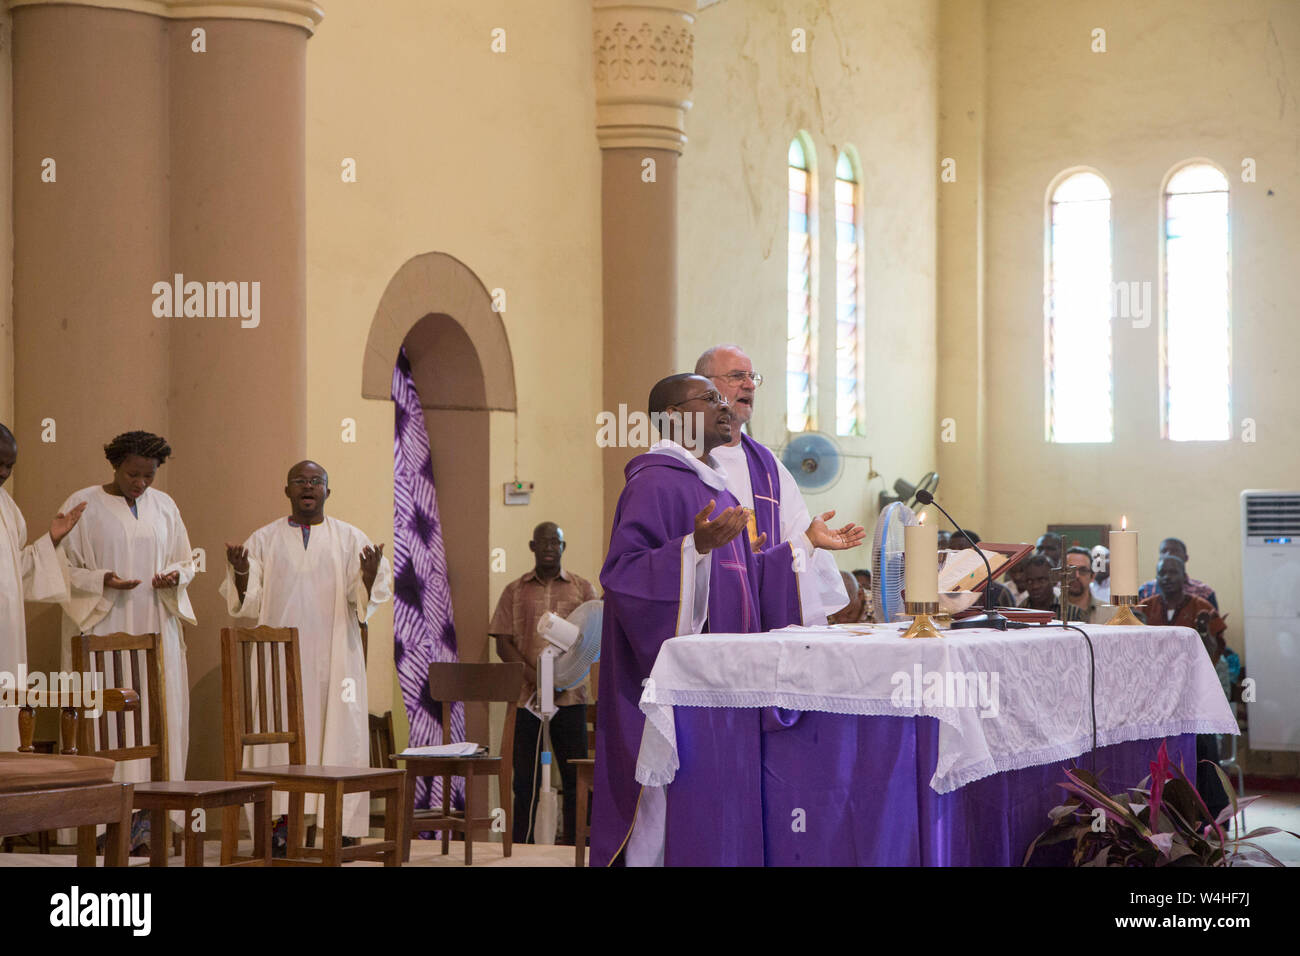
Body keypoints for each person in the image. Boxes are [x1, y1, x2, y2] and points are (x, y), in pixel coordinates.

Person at [592, 373, 864, 866]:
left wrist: (802, 545)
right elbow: (623, 578)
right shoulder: (654, 483)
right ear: (674, 416)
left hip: (727, 692)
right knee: (678, 819)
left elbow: (742, 583)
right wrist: (693, 548)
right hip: (677, 700)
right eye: (711, 398)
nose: (725, 406)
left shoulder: (715, 488)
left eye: (724, 398)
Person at [221, 460, 392, 851]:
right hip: (278, 663)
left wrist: (368, 574)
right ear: (287, 491)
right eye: (300, 481)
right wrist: (242, 572)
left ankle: (340, 827)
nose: (308, 486)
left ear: (328, 491)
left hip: (336, 659)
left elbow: (363, 602)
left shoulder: (351, 538)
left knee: (338, 737)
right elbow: (247, 605)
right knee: (277, 741)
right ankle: (279, 827)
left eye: (316, 481)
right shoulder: (263, 539)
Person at [57, 432, 196, 847]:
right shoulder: (82, 503)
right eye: (133, 474)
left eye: (149, 476)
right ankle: (101, 825)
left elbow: (186, 559)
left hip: (155, 623)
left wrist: (176, 576)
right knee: (108, 719)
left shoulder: (165, 506)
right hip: (102, 624)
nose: (140, 483)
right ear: (115, 465)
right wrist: (103, 579)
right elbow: (60, 569)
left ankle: (147, 820)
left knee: (155, 716)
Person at [695, 345, 850, 622]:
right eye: (736, 376)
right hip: (705, 617)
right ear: (706, 387)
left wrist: (811, 541)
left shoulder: (768, 466)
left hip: (759, 613)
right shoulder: (685, 459)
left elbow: (795, 539)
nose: (749, 385)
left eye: (752, 377)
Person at [488, 521, 598, 846]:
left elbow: (594, 637)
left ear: (563, 548)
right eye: (544, 542)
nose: (550, 547)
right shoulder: (514, 590)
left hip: (571, 698)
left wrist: (565, 676)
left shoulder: (583, 589)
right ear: (532, 547)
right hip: (527, 699)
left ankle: (576, 846)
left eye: (556, 542)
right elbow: (502, 642)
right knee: (525, 780)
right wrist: (537, 678)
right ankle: (521, 846)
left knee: (575, 777)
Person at [0, 425, 84, 752]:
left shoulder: (7, 506)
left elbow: (17, 571)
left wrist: (51, 540)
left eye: (10, 466)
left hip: (7, 635)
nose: (4, 472)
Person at [1136, 554, 1230, 817]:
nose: (1166, 578)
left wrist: (1204, 635)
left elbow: (1214, 656)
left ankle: (1212, 817)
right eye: (1161, 573)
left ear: (1184, 576)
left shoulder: (1202, 608)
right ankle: (1156, 812)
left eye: (1173, 573)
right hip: (1153, 698)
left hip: (1192, 696)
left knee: (1203, 743)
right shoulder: (1144, 608)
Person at [1137, 537, 1218, 610]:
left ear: (1186, 558)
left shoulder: (1204, 591)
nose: (1168, 554)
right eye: (1164, 551)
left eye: (1175, 551)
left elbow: (1212, 622)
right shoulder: (1145, 590)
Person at [947, 529, 1014, 607]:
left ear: (978, 554)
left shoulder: (998, 592)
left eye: (962, 550)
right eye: (952, 550)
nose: (956, 555)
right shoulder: (944, 590)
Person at [1061, 547, 1108, 623]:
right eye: (1070, 570)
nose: (1076, 576)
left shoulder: (1110, 613)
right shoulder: (1049, 610)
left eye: (1083, 570)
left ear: (1092, 576)